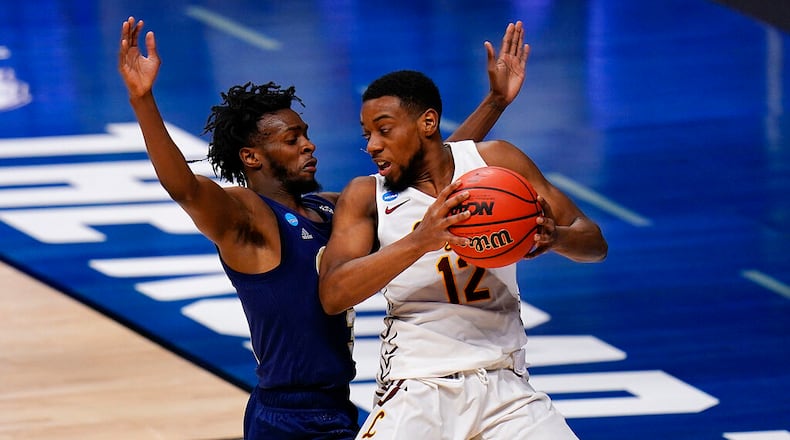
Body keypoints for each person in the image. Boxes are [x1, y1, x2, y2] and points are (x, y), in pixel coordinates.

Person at [118, 16, 530, 440]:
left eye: (306, 134)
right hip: (286, 415)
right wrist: (143, 100)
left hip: (337, 406)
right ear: (252, 157)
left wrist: (495, 103)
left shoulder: (328, 209)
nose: (308, 144)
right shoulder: (248, 218)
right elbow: (185, 189)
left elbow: (425, 167)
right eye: (292, 139)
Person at [318, 69, 607, 439]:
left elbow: (595, 243)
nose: (372, 145)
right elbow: (332, 294)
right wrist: (420, 240)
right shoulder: (365, 195)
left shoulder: (497, 162)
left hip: (506, 385)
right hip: (418, 387)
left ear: (428, 122)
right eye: (367, 134)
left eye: (384, 130)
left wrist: (557, 238)